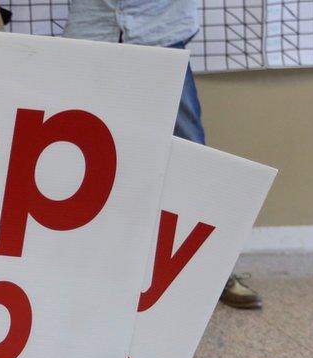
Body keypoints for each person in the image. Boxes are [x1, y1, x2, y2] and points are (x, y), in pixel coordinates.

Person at [63, 0, 263, 309]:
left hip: (160, 29)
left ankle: (213, 272)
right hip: (92, 31)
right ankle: (72, 269)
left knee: (191, 153)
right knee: (82, 152)